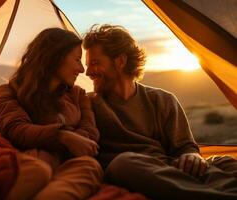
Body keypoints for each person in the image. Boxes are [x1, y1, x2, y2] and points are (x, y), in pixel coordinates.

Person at [83, 24, 237, 200]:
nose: (88, 72)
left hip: (169, 168)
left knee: (224, 162)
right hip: (132, 169)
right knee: (123, 163)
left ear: (120, 61)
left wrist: (191, 156)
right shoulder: (89, 103)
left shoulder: (161, 99)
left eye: (95, 63)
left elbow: (185, 147)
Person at [0, 28, 103, 200]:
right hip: (31, 157)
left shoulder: (79, 95)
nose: (82, 69)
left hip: (69, 160)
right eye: (77, 60)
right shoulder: (7, 91)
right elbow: (16, 129)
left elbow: (89, 132)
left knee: (90, 167)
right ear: (55, 57)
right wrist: (62, 137)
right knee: (39, 169)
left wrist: (73, 141)